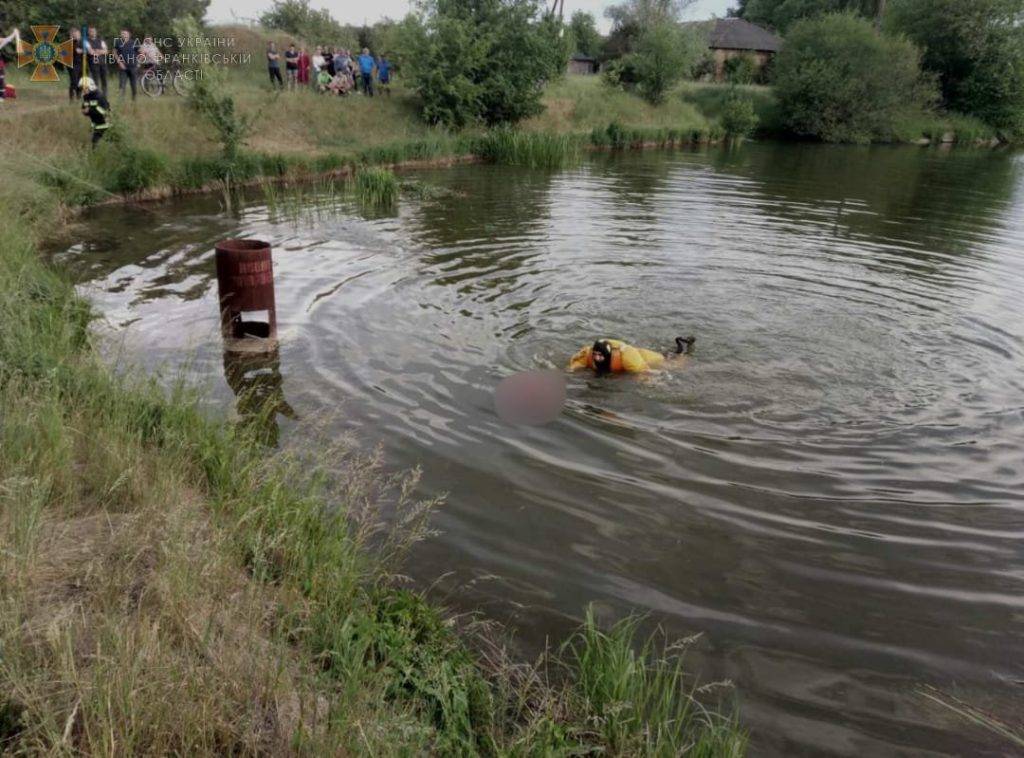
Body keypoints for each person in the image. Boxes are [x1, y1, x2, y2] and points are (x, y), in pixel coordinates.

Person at [568, 337, 695, 375]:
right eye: (595, 354)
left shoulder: (628, 359)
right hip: (635, 354)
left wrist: (652, 381)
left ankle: (683, 346)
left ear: (608, 355)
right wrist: (570, 370)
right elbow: (576, 364)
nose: (596, 358)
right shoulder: (588, 355)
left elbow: (643, 372)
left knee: (673, 363)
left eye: (600, 355)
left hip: (646, 357)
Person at [80, 76, 110, 148]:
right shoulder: (86, 97)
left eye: (85, 88)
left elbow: (104, 112)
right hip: (96, 125)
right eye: (82, 88)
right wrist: (84, 112)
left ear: (91, 87)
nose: (83, 90)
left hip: (105, 125)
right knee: (94, 143)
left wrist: (89, 111)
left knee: (97, 143)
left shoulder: (99, 96)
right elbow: (85, 108)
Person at [113, 28, 139, 100]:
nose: (123, 35)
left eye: (125, 33)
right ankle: (121, 100)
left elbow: (141, 52)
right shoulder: (118, 42)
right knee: (122, 84)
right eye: (122, 34)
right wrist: (119, 62)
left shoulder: (134, 42)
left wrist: (138, 62)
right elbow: (114, 52)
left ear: (129, 34)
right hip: (123, 67)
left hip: (133, 66)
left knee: (133, 84)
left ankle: (134, 99)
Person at [86, 27, 108, 97]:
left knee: (104, 79)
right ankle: (96, 94)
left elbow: (106, 51)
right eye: (91, 31)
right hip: (93, 63)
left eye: (94, 31)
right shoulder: (86, 41)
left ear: (96, 32)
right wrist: (100, 51)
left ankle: (105, 94)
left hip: (102, 62)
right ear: (89, 33)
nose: (93, 32)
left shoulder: (101, 41)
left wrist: (97, 51)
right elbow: (90, 52)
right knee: (95, 80)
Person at [68, 27, 84, 101]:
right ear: (71, 34)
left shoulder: (82, 42)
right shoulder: (69, 42)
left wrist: (82, 51)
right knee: (74, 81)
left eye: (77, 34)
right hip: (73, 64)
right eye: (74, 34)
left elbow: (87, 50)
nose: (76, 35)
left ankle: (78, 97)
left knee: (81, 82)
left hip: (82, 64)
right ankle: (71, 98)